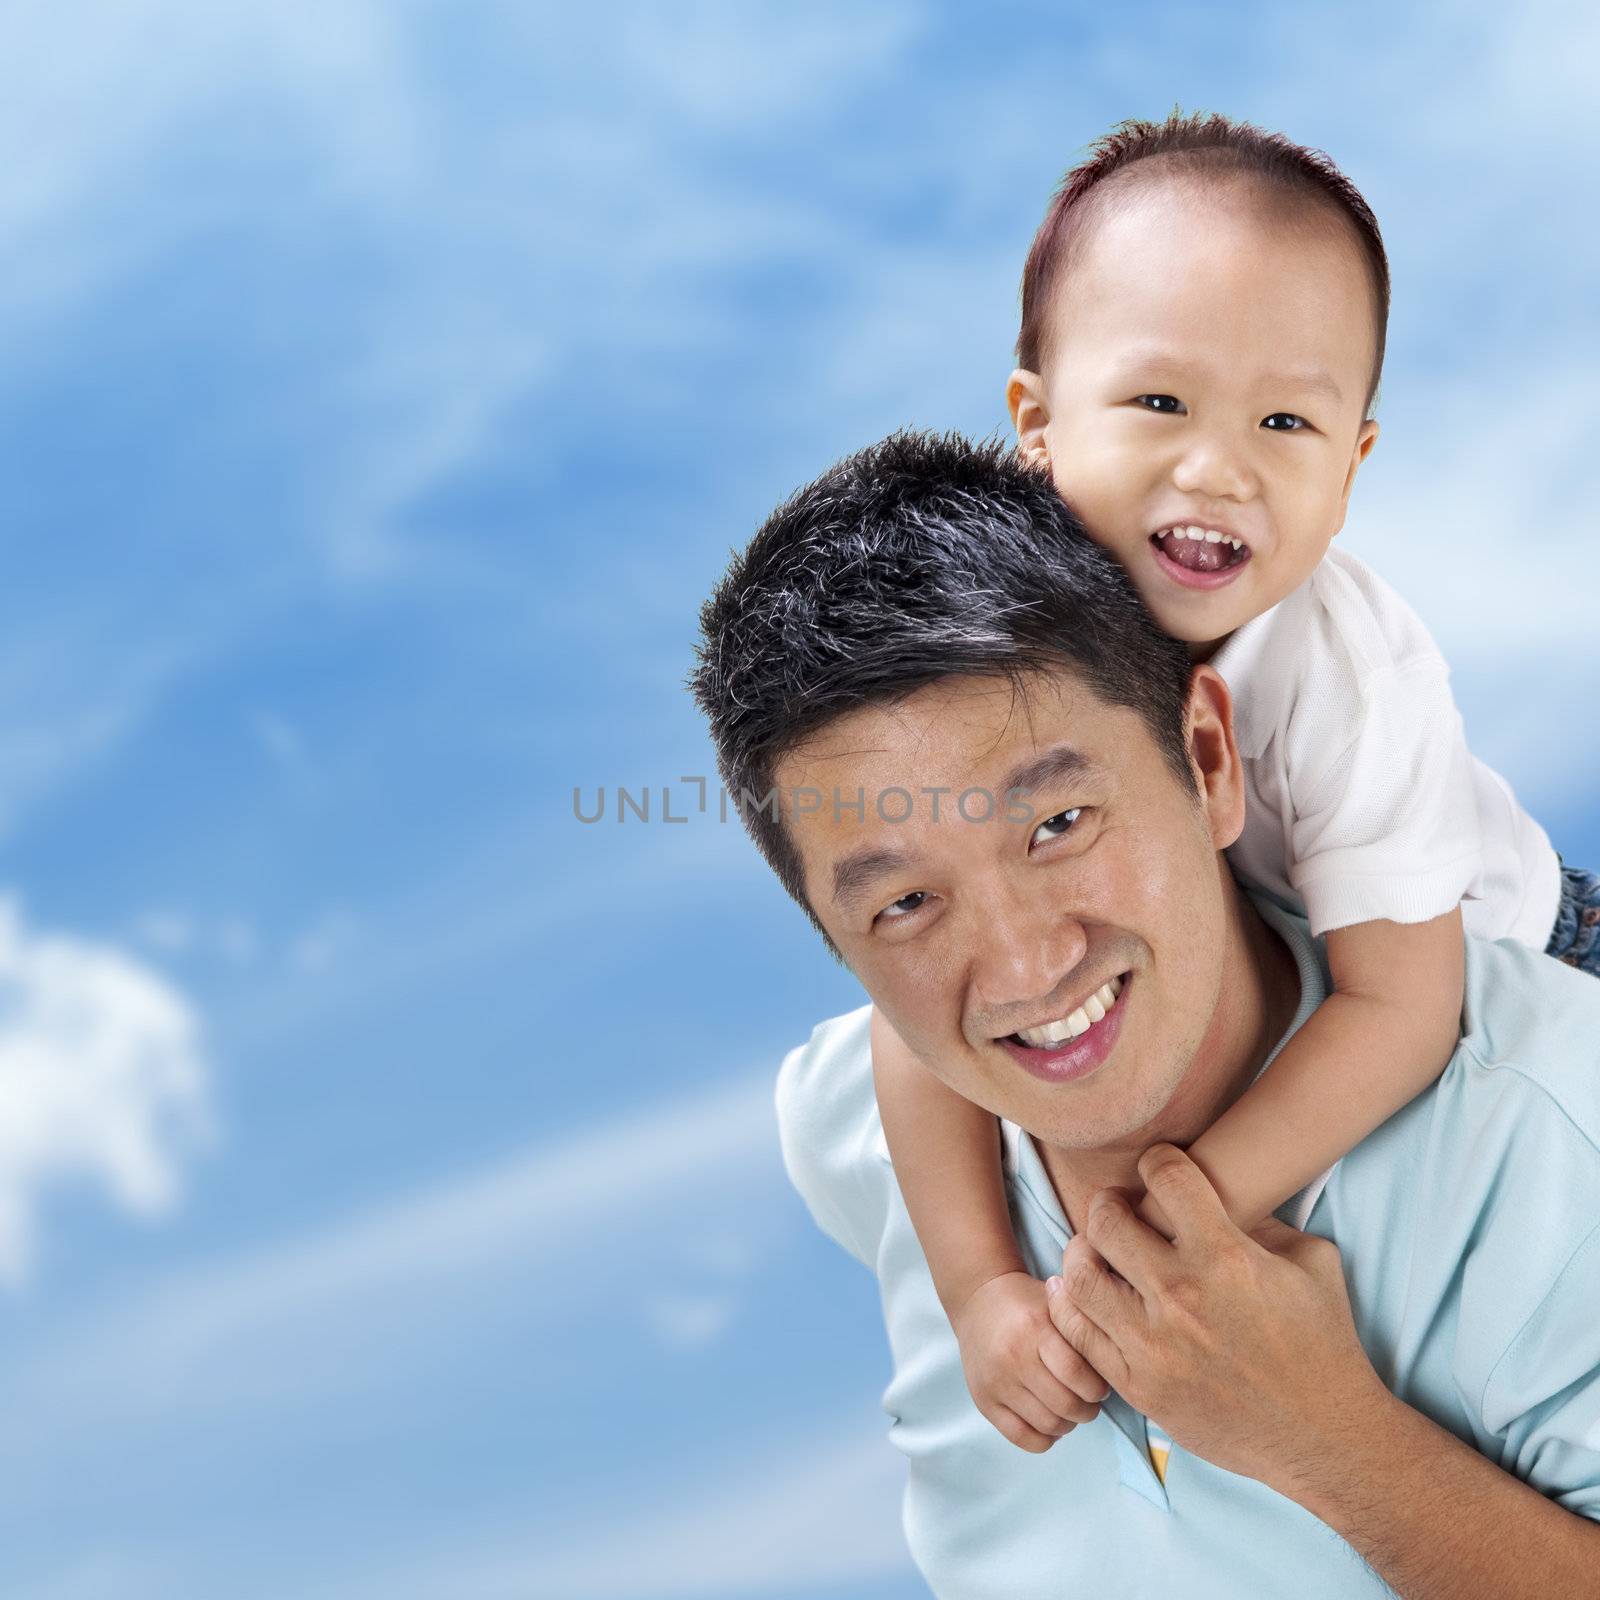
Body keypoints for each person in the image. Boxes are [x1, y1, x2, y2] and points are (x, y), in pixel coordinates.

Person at [688, 431, 1600, 1597]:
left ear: (1210, 758)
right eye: (908, 902)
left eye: (1059, 824)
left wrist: (1336, 1445)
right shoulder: (855, 1133)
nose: (1025, 966)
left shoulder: (1554, 1153)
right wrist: (976, 1287)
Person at [864, 113, 1600, 1459]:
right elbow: (914, 1011)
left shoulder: (1340, 668)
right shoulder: (997, 640)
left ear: (1352, 468)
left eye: (1285, 420)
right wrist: (983, 1293)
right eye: (1159, 404)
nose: (1221, 467)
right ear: (1035, 422)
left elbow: (1402, 1007)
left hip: (1534, 952)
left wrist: (1166, 1227)